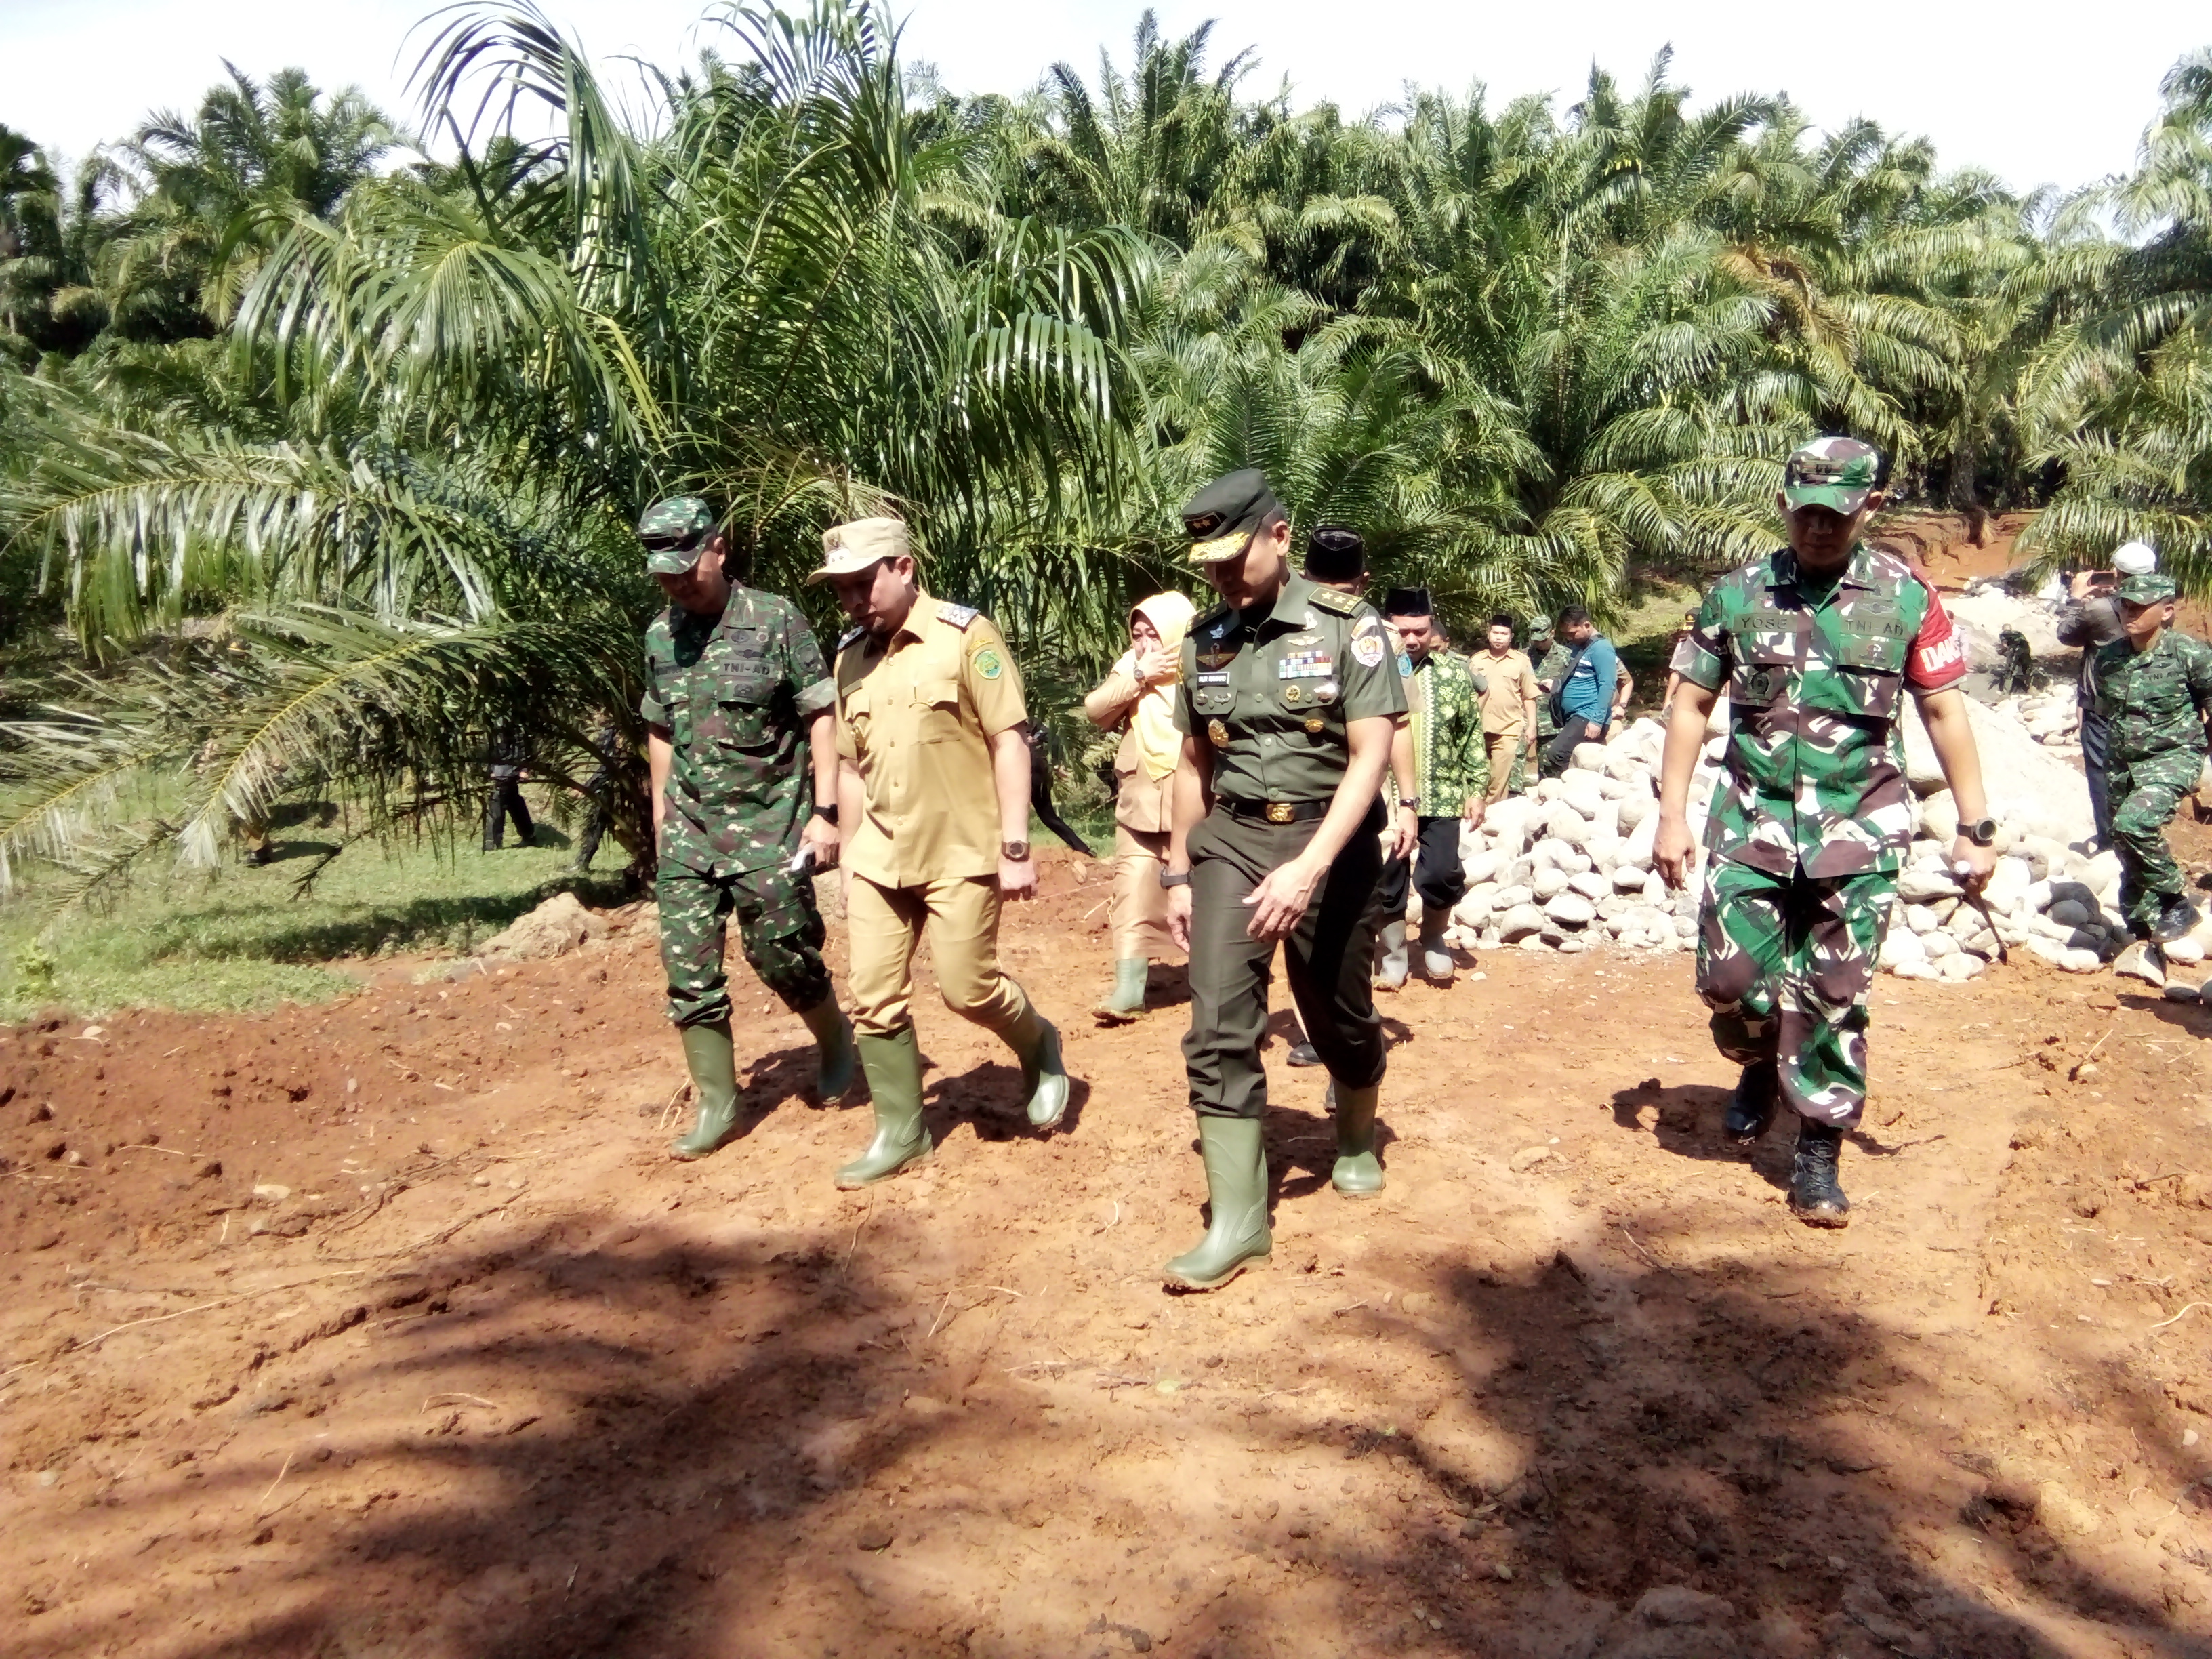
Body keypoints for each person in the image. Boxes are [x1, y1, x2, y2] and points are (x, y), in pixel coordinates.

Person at [1655, 436, 1996, 1227]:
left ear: (1870, 507)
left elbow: (1943, 709)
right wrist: (1671, 816)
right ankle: (1759, 1058)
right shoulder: (1737, 594)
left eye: (1837, 515)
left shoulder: (1906, 597)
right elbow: (1691, 704)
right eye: (1806, 512)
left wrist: (1975, 825)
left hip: (1860, 831)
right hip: (1751, 824)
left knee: (1837, 996)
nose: (1818, 528)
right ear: (1783, 504)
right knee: (1731, 984)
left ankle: (1818, 1149)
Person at [1159, 470, 1407, 1290]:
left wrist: (1309, 867)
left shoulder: (1349, 626)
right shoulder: (1203, 640)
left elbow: (1370, 756)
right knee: (1217, 1021)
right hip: (1231, 841)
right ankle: (1238, 1222)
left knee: (1336, 1013)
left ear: (1280, 536)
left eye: (1235, 557)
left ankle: (1357, 1131)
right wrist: (1179, 874)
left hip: (1329, 841)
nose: (1223, 576)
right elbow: (1192, 766)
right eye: (1210, 564)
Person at [817, 516, 1071, 1187]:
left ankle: (1039, 1043)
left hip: (961, 849)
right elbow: (850, 767)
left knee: (967, 987)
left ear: (903, 568)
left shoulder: (966, 636)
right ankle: (902, 1132)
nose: (852, 601)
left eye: (862, 583)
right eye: (841, 590)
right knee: (872, 996)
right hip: (879, 854)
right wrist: (850, 855)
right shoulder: (849, 657)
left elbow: (1009, 741)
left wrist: (1015, 846)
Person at [636, 496, 855, 1160]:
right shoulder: (660, 636)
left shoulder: (775, 619)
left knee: (782, 953)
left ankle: (836, 1041)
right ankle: (718, 1103)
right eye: (664, 572)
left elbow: (820, 714)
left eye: (687, 566)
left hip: (768, 824)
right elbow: (659, 726)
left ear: (719, 548)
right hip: (689, 830)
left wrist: (825, 813)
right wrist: (661, 814)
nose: (677, 581)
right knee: (688, 968)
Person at [1279, 525, 1418, 1065]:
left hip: (1351, 811)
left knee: (1344, 933)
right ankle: (1318, 1035)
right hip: (1285, 808)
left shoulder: (1378, 637)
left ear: (1364, 584)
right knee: (1294, 932)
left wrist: (1408, 803)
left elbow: (1397, 723)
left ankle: (1346, 1058)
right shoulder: (1275, 628)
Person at [2087, 570, 2212, 967]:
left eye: (2140, 607)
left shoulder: (2190, 655)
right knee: (2123, 845)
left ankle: (2176, 898)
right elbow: (2106, 713)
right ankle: (2144, 932)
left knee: (2134, 825)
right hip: (2122, 763)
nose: (2130, 613)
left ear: (2167, 611)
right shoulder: (2109, 658)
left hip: (2173, 757)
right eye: (2125, 606)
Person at [1083, 591, 1198, 1021]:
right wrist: (1138, 675)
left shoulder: (1206, 661)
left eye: (1155, 635)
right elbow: (1096, 710)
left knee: (1203, 888)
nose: (1146, 644)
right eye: (1138, 635)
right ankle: (1129, 988)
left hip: (1199, 800)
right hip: (1141, 800)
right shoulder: (1133, 666)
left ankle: (1214, 978)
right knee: (1132, 885)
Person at [1375, 588, 1488, 984]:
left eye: (1420, 631)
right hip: (1387, 799)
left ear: (1431, 627)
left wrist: (1477, 789)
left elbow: (1470, 733)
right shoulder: (1370, 670)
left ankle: (1433, 937)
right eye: (1402, 631)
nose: (1411, 640)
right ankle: (1393, 953)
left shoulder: (1453, 673)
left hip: (1441, 793)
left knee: (1441, 873)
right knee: (1387, 877)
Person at [2057, 541, 2157, 848]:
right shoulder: (2161, 607)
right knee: (2139, 769)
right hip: (2145, 698)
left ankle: (2109, 841)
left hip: (2101, 703)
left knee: (2101, 770)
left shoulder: (2099, 609)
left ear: (2116, 573)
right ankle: (2140, 834)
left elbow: (2066, 633)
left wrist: (2075, 598)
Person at [1538, 607, 1618, 777]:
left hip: (1587, 715)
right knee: (1572, 758)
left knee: (1557, 754)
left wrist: (1596, 721)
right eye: (1566, 634)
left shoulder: (1601, 648)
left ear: (1587, 625)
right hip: (1574, 716)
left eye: (1572, 633)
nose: (1569, 638)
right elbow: (1577, 678)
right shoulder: (1579, 648)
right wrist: (1556, 685)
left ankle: (1568, 785)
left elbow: (1607, 685)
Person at [1475, 615, 1539, 805]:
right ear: (1488, 634)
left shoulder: (1521, 661)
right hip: (1479, 727)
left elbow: (1529, 695)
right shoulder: (1476, 660)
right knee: (1479, 775)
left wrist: (1532, 726)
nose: (1499, 637)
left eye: (1504, 634)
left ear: (1511, 637)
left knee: (1499, 777)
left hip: (1509, 728)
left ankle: (1491, 811)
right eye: (1495, 632)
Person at [1521, 618, 1574, 791]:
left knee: (1550, 769)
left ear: (1552, 633)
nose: (1539, 643)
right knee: (1514, 767)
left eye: (1543, 640)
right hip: (1523, 720)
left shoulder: (1566, 656)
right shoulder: (1522, 657)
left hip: (1552, 722)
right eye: (1535, 640)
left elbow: (1575, 685)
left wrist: (1557, 686)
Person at [482, 727, 535, 850]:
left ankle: (494, 843)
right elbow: (491, 751)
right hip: (500, 778)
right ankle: (494, 843)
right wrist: (490, 770)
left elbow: (524, 749)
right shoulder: (494, 733)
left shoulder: (517, 733)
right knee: (504, 806)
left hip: (509, 775)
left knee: (510, 806)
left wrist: (524, 769)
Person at [1660, 611, 1697, 710]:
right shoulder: (1682, 645)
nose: (1690, 634)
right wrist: (1668, 700)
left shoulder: (1714, 645)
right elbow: (1676, 673)